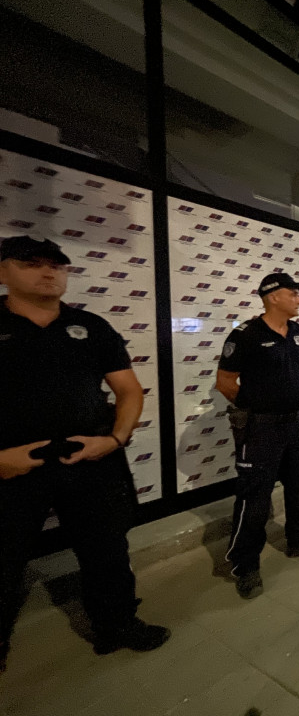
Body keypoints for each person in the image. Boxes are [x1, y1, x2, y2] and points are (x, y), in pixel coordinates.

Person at [0, 236, 169, 673]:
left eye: (57, 264)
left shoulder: (91, 326)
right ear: (3, 272)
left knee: (107, 552)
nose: (48, 272)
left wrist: (114, 440)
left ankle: (117, 626)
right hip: (11, 467)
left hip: (90, 457)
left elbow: (129, 390)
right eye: (31, 263)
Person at [216, 272, 299, 599]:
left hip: (296, 423)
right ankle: (245, 564)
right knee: (254, 497)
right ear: (273, 296)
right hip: (260, 427)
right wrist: (255, 408)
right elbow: (225, 382)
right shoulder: (246, 334)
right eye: (294, 293)